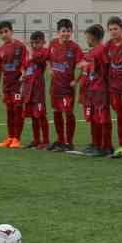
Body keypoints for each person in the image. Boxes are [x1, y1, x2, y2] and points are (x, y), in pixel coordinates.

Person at [44, 18, 81, 152]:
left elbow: (81, 65)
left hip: (67, 88)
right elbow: (48, 59)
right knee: (56, 112)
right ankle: (60, 140)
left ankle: (69, 142)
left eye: (68, 31)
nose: (66, 33)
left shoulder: (75, 47)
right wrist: (49, 69)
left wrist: (75, 80)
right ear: (58, 32)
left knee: (68, 112)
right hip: (55, 86)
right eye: (63, 31)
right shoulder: (53, 44)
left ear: (71, 32)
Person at [101, 18, 122, 158]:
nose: (113, 32)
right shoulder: (107, 45)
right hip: (113, 88)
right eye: (111, 29)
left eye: (116, 29)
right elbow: (105, 65)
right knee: (120, 118)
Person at [77, 24, 111, 156]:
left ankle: (106, 146)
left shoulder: (100, 50)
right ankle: (96, 144)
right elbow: (83, 65)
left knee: (102, 118)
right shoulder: (94, 51)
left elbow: (107, 67)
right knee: (94, 118)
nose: (87, 40)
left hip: (101, 89)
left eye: (87, 37)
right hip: (93, 88)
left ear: (92, 37)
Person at [0, 21, 28, 148]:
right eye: (1, 33)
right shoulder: (0, 50)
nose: (4, 34)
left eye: (6, 31)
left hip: (18, 85)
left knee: (17, 110)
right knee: (9, 111)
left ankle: (17, 138)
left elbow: (25, 62)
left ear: (11, 31)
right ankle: (10, 137)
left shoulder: (20, 46)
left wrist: (24, 73)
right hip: (6, 86)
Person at [20, 30, 51, 149]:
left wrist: (29, 49)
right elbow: (24, 65)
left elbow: (38, 58)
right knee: (33, 115)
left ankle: (46, 140)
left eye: (37, 42)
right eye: (32, 43)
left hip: (38, 89)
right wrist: (22, 73)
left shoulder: (43, 52)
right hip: (28, 89)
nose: (34, 45)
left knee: (41, 114)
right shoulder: (29, 53)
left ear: (43, 42)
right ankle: (37, 139)